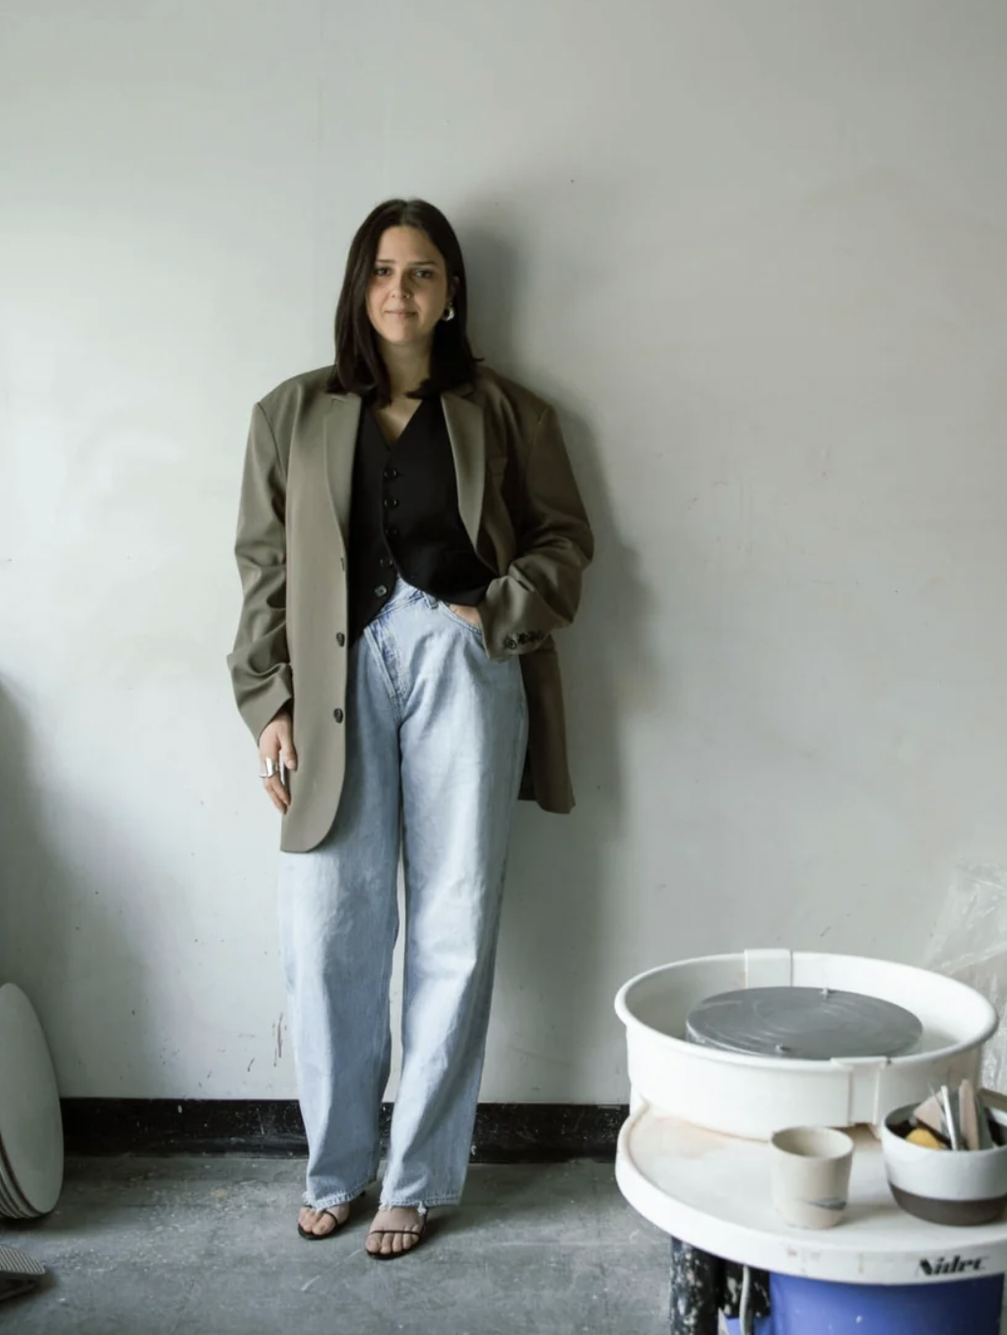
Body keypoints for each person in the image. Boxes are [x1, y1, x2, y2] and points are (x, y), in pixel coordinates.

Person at [227, 198, 594, 1259]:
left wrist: (502, 608)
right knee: (329, 928)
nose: (401, 291)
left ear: (451, 292)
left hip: (460, 665)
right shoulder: (287, 414)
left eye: (423, 272)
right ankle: (337, 1168)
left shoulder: (509, 413)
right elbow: (260, 573)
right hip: (332, 673)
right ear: (359, 285)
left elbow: (568, 543)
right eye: (383, 270)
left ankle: (420, 1177)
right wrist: (268, 705)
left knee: (453, 921)